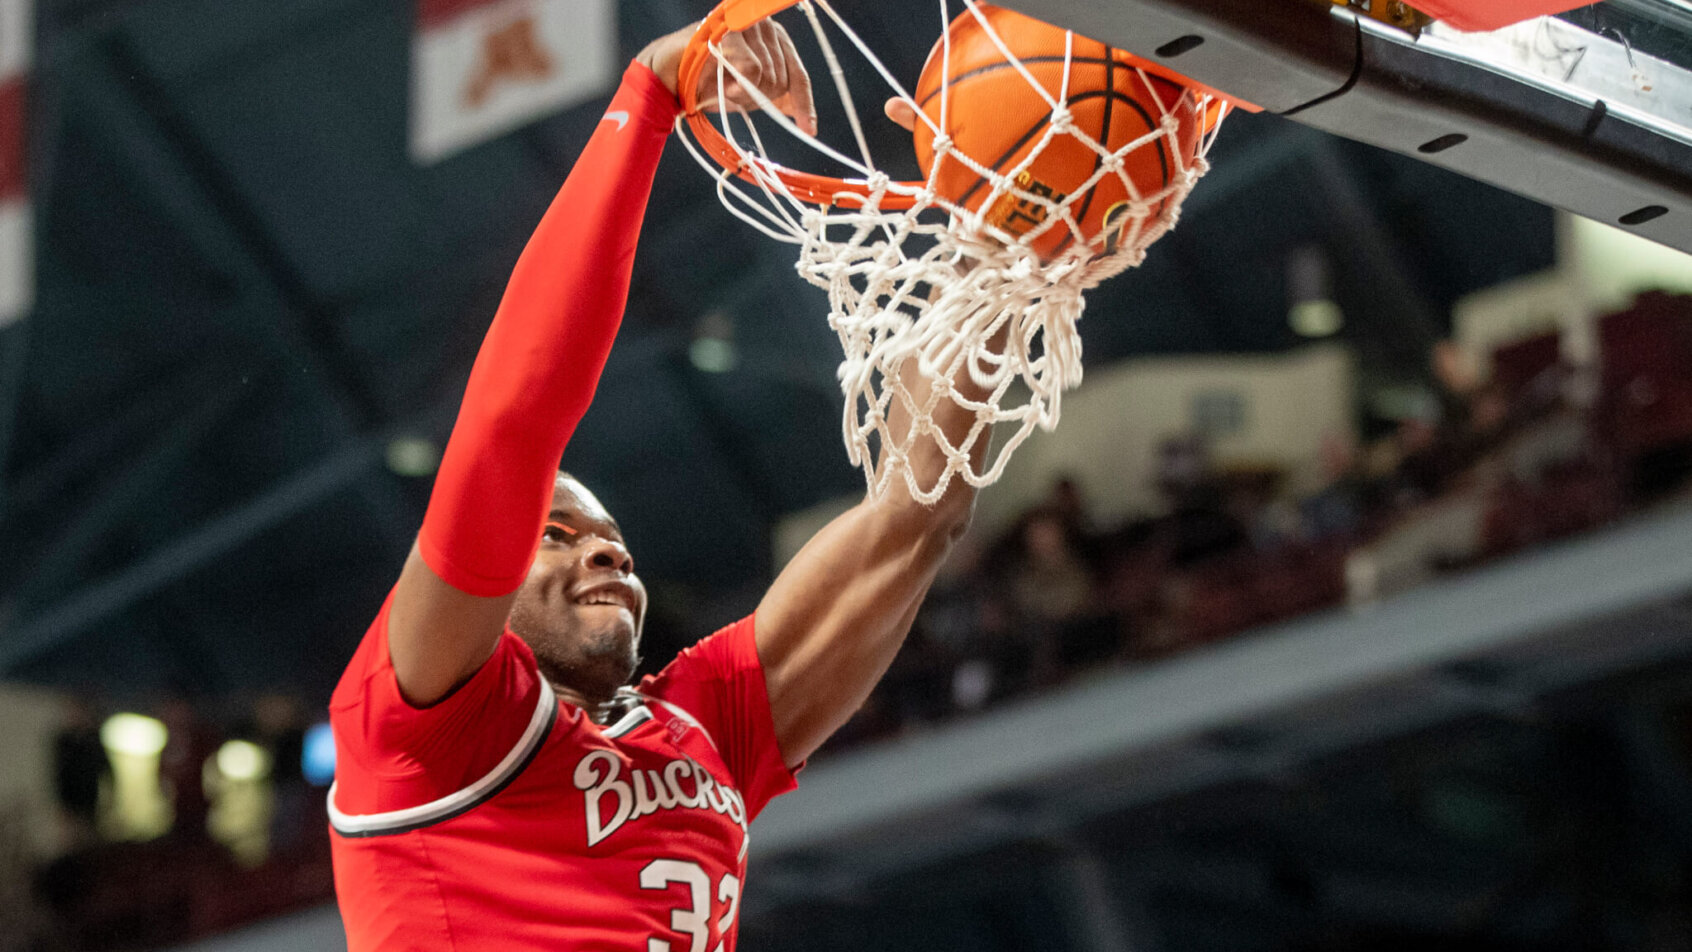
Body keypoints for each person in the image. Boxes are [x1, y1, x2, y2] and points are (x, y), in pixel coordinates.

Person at [328, 18, 987, 952]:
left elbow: (919, 512)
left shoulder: (700, 724)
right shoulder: (423, 723)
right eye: (554, 533)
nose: (604, 547)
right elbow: (515, 422)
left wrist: (992, 237)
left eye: (611, 542)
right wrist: (650, 95)